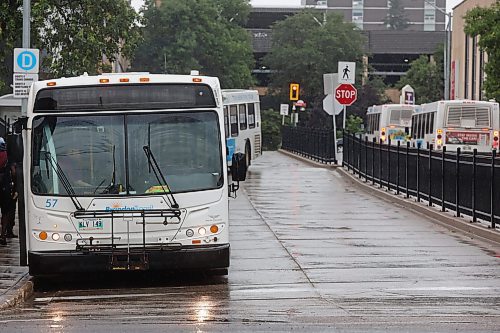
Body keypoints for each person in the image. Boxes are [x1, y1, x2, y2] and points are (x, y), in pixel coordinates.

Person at [0, 137, 17, 245]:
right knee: (5, 212)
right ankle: (3, 235)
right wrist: (15, 187)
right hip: (5, 187)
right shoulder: (8, 158)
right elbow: (14, 172)